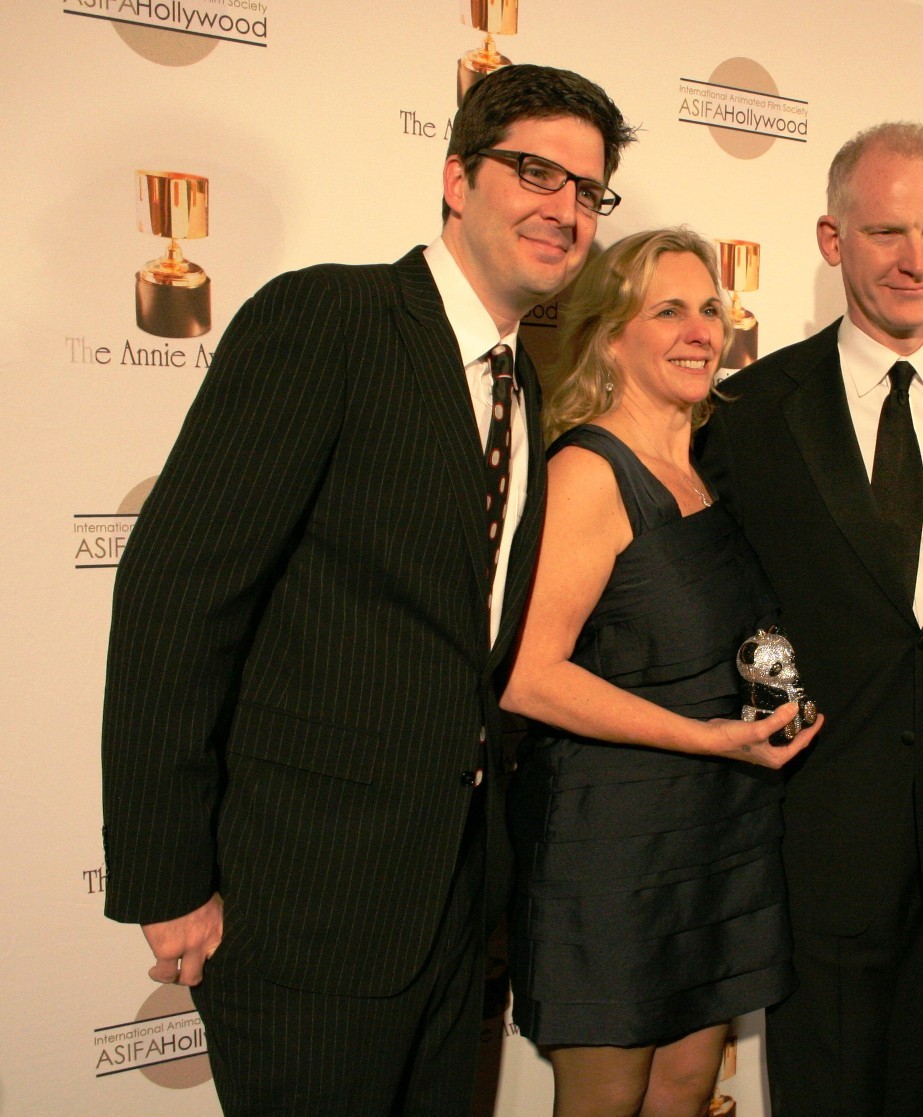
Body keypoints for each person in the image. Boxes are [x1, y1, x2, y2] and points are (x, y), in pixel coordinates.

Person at [100, 64, 635, 1117]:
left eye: (586, 190)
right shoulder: (328, 319)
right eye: (534, 170)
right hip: (301, 907)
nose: (562, 207)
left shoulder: (518, 381)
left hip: (446, 908)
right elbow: (176, 598)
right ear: (454, 178)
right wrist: (167, 881)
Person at [698, 121, 923, 1116]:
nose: (916, 260)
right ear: (831, 240)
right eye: (884, 234)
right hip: (810, 821)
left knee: (903, 1087)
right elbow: (728, 607)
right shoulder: (751, 408)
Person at [500, 227, 822, 1117]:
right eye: (668, 310)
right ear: (610, 336)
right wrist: (703, 735)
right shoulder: (587, 472)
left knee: (683, 1089)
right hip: (614, 846)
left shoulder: (701, 467)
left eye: (710, 309)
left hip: (718, 831)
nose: (699, 330)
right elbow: (527, 674)